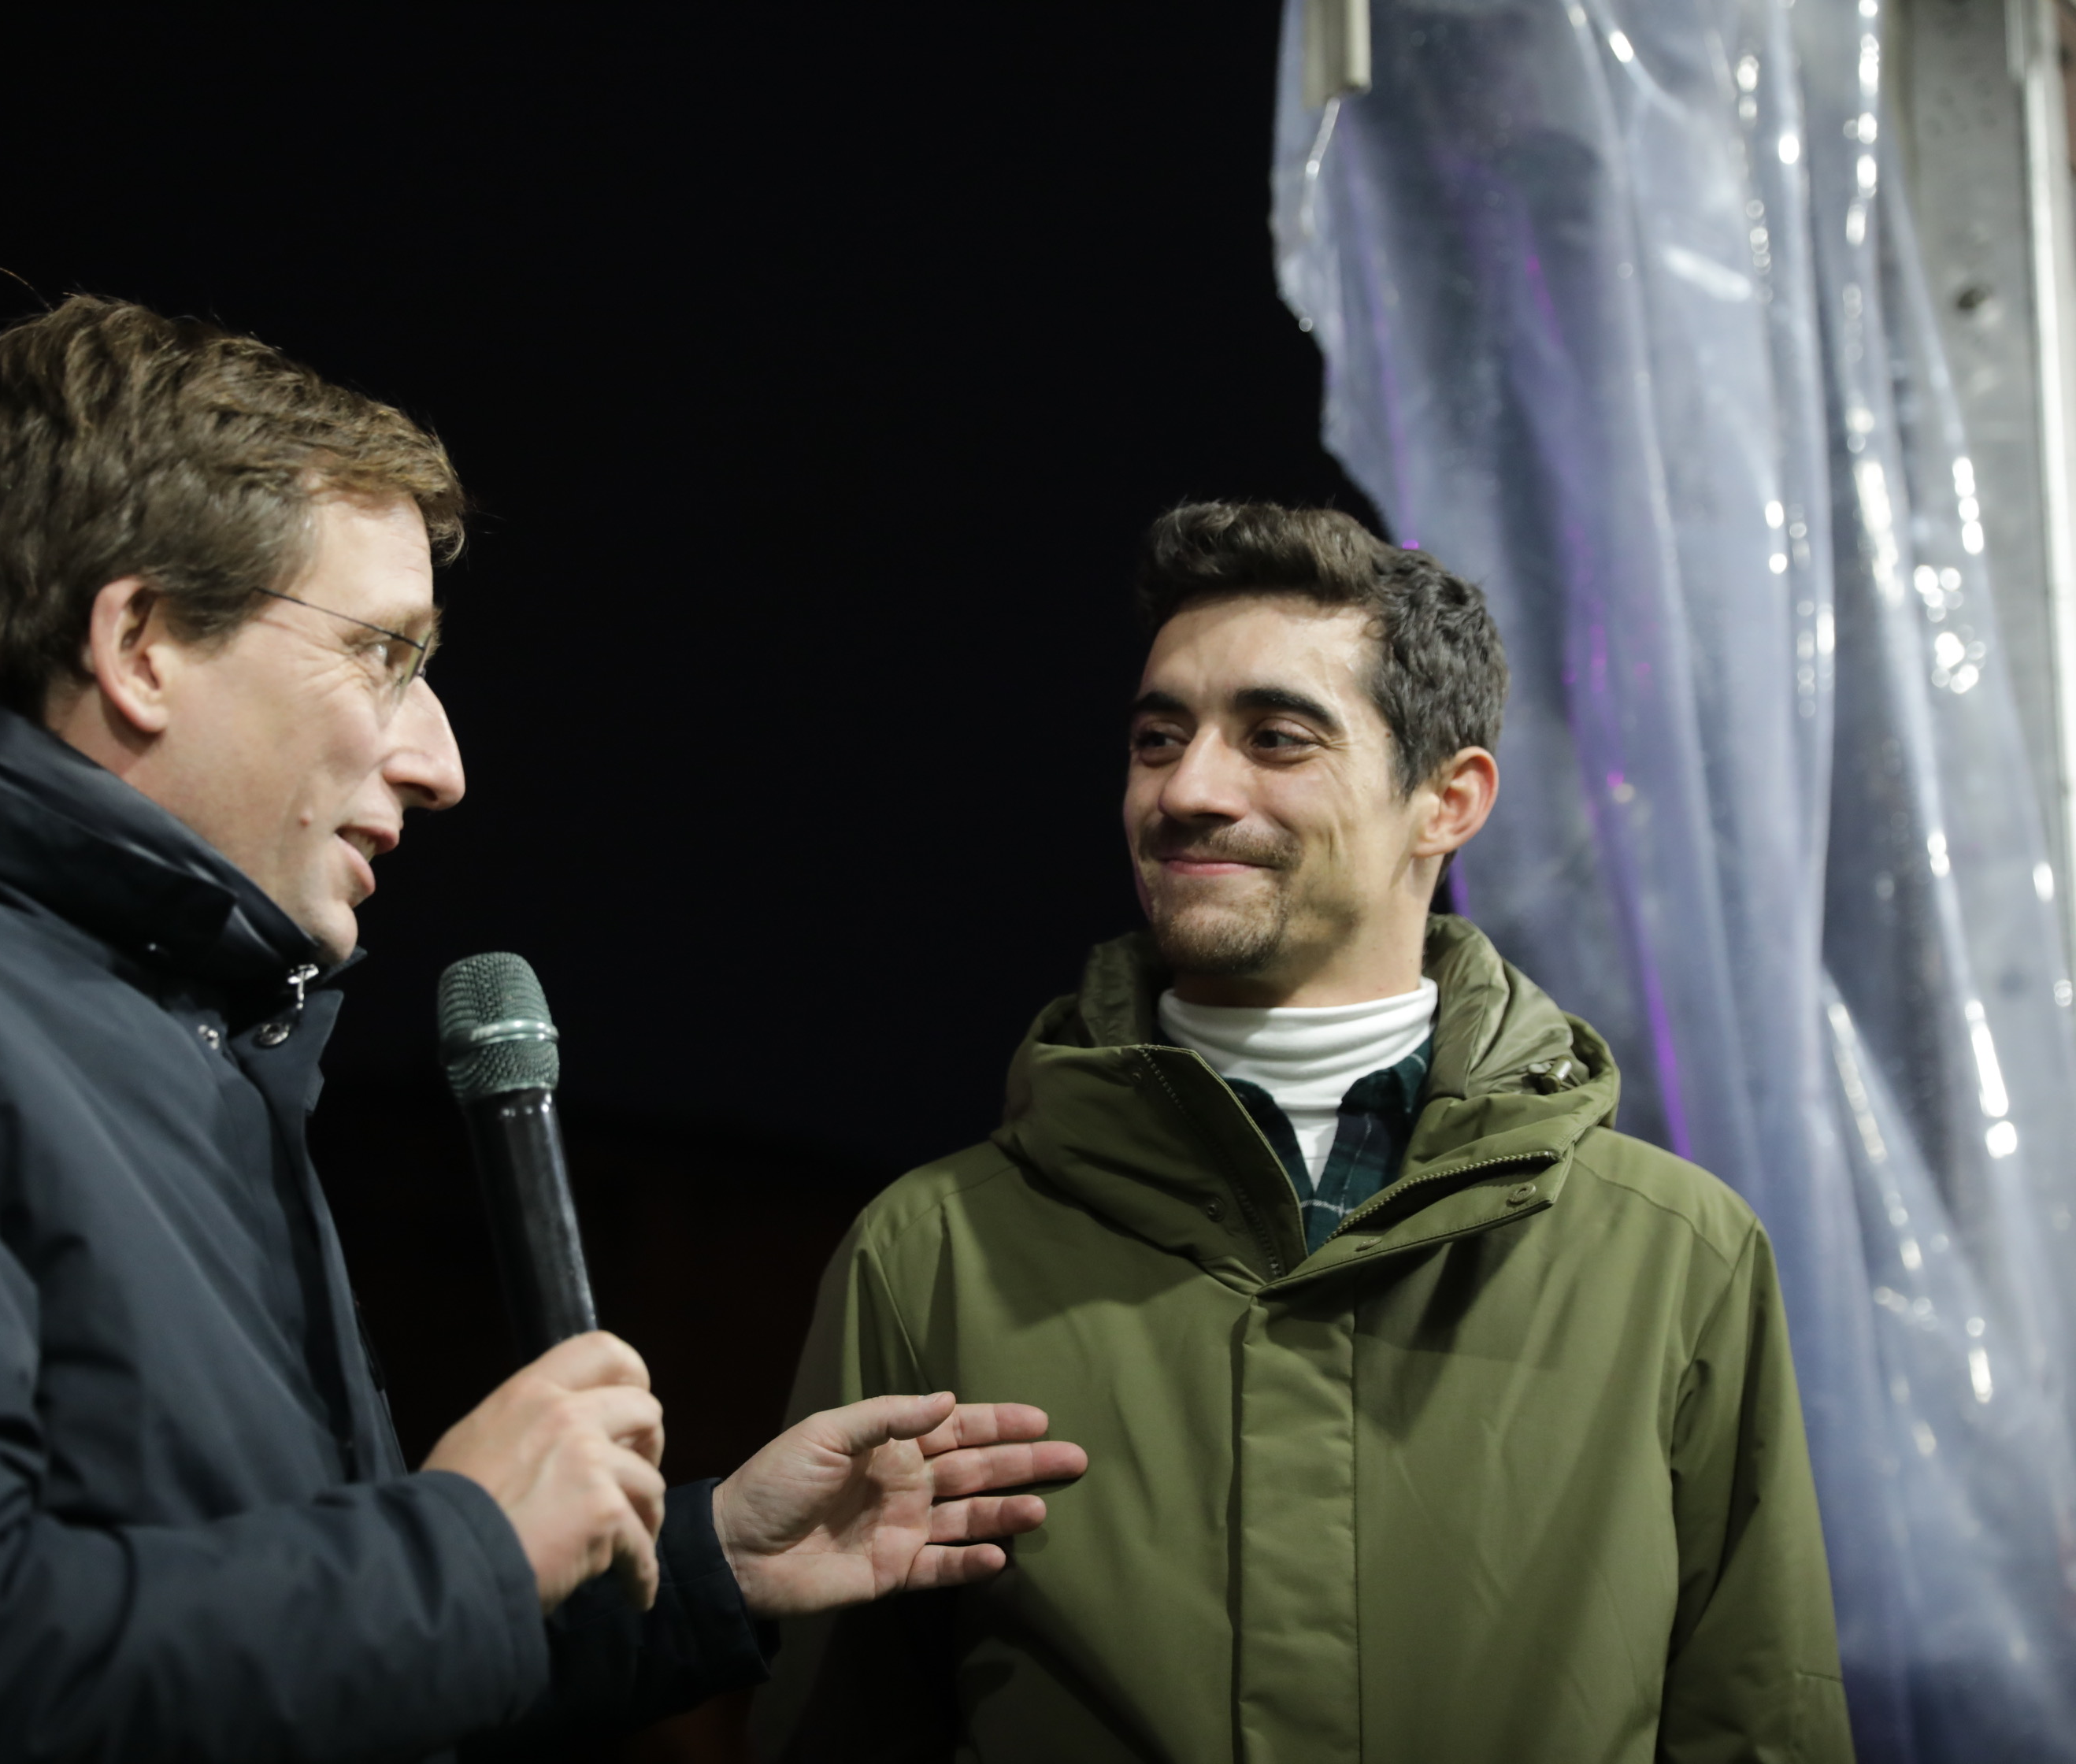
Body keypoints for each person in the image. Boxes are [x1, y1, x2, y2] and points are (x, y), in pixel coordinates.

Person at [0, 295, 1088, 1762]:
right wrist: (471, 1543)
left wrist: (704, 1570)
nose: (442, 761)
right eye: (384, 653)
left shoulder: (208, 1062)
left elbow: (287, 1672)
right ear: (143, 644)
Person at [754, 502, 1854, 1762]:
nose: (1188, 790)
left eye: (1276, 738)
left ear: (1448, 801)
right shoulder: (930, 1255)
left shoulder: (1676, 1255)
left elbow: (1761, 1720)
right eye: (1158, 739)